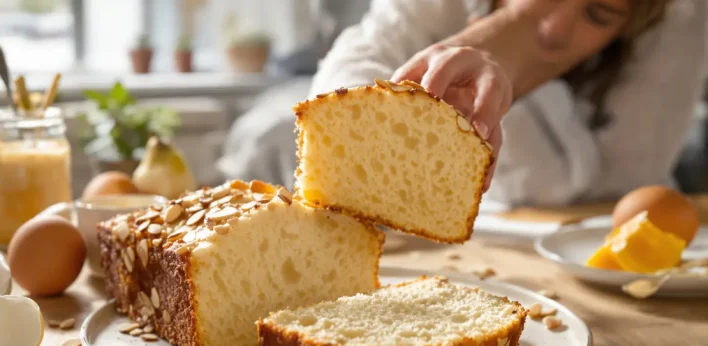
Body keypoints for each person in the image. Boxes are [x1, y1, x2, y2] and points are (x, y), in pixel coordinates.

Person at [219, 0, 706, 206]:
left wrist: (508, 69)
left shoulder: (677, 18)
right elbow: (336, 100)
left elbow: (620, 185)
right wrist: (487, 40)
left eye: (598, 14)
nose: (556, 29)